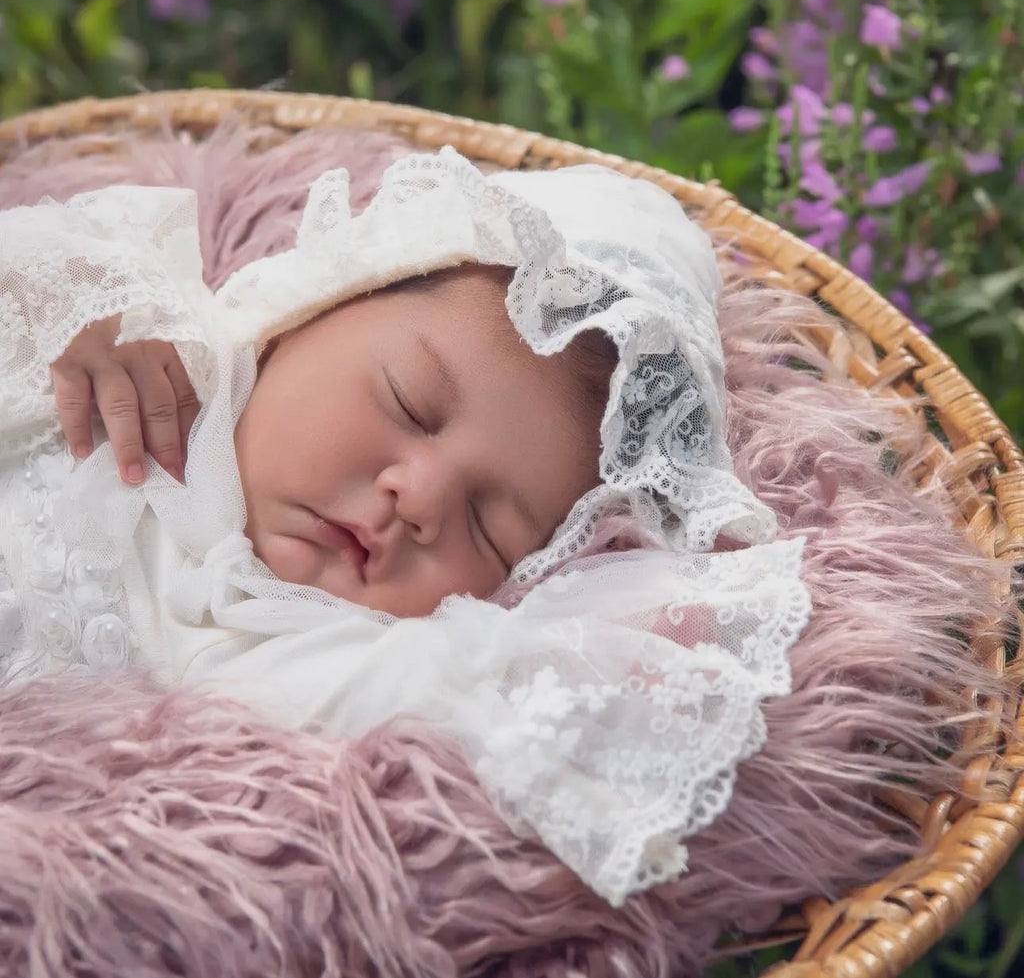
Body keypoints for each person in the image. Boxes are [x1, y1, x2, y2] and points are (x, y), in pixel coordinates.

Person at [0, 147, 811, 906]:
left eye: (487, 527)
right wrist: (86, 310)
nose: (417, 498)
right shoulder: (164, 341)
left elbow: (476, 680)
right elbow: (34, 246)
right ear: (314, 308)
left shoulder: (305, 645)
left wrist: (650, 622)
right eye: (411, 403)